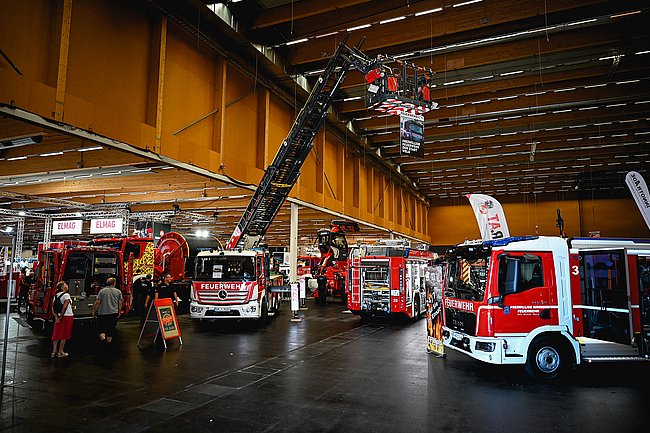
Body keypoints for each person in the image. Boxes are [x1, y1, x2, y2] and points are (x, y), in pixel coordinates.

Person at [92, 277, 123, 343]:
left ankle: (103, 340)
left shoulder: (102, 291)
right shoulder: (118, 291)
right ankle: (108, 343)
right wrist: (119, 312)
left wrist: (94, 311)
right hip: (113, 313)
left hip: (103, 313)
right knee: (110, 330)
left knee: (101, 329)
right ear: (114, 283)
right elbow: (120, 303)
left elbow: (97, 302)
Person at [51, 281, 73, 358]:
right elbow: (65, 307)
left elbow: (53, 308)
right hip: (67, 316)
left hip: (58, 316)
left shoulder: (56, 295)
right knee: (64, 334)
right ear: (62, 287)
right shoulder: (66, 295)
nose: (67, 285)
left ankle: (54, 351)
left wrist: (56, 316)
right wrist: (61, 316)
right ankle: (60, 352)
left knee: (56, 333)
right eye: (65, 284)